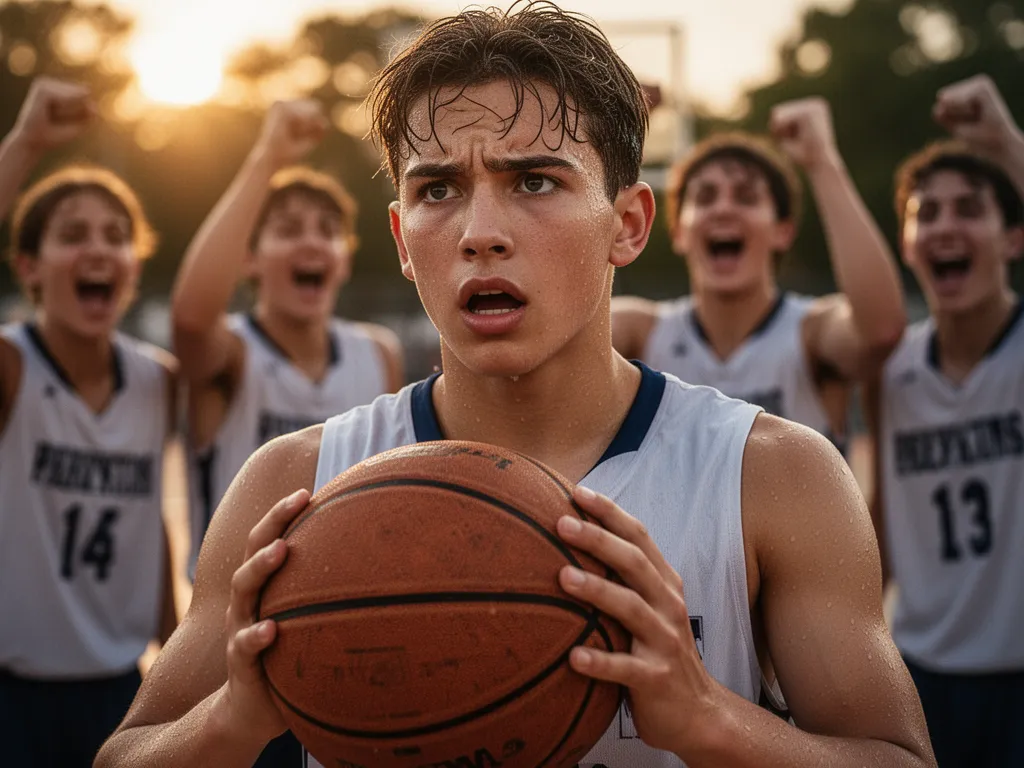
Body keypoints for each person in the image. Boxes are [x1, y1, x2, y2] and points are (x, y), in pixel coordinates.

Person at [96, 4, 935, 767]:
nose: (480, 233)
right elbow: (124, 755)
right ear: (399, 236)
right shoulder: (298, 483)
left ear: (630, 223)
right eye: (438, 190)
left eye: (535, 181)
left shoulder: (773, 476)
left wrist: (709, 717)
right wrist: (234, 719)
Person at [170, 99, 405, 766]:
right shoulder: (233, 354)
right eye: (288, 229)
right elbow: (188, 319)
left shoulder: (377, 352)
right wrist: (266, 157)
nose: (311, 240)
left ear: (345, 256)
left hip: (353, 638)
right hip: (240, 646)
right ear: (250, 259)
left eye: (327, 229)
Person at [0, 78, 178, 766]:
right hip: (12, 692)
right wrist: (26, 143)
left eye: (116, 236)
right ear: (29, 268)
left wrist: (175, 648)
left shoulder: (155, 378)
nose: (99, 249)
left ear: (133, 270)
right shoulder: (14, 367)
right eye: (73, 236)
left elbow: (146, 523)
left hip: (117, 688)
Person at [866, 74, 1024, 768]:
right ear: (906, 244)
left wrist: (1003, 142)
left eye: (969, 209)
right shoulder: (890, 365)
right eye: (926, 213)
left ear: (1013, 237)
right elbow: (880, 522)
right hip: (922, 668)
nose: (946, 226)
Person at [612, 105, 907, 453]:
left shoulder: (811, 333)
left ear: (783, 231)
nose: (723, 208)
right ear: (677, 231)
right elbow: (556, 343)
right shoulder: (640, 332)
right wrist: (606, 140)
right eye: (705, 197)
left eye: (746, 197)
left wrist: (821, 160)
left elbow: (882, 329)